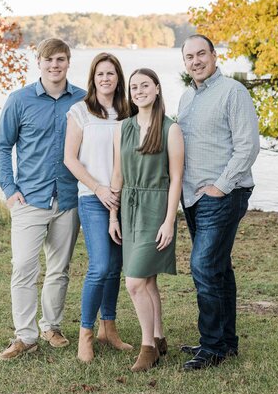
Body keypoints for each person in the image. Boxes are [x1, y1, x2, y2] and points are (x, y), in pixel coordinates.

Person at [0, 38, 85, 361]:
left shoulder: (83, 101)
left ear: (68, 62)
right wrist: (9, 190)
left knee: (59, 268)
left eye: (60, 59)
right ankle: (25, 336)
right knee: (23, 268)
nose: (54, 65)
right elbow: (1, 146)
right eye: (49, 60)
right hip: (29, 199)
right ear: (39, 62)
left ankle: (52, 326)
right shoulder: (19, 100)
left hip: (69, 199)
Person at [177, 34, 260, 370]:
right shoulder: (186, 98)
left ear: (214, 55)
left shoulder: (233, 92)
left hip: (223, 194)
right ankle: (225, 343)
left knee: (204, 267)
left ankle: (211, 347)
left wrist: (222, 186)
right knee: (219, 269)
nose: (196, 61)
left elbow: (248, 145)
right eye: (189, 57)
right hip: (193, 197)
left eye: (201, 54)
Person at [110, 68, 184, 372]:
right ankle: (159, 337)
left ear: (156, 89)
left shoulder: (170, 129)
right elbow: (118, 173)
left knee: (134, 282)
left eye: (144, 86)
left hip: (156, 207)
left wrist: (169, 221)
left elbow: (177, 178)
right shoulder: (122, 128)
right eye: (134, 87)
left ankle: (147, 347)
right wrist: (113, 215)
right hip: (129, 207)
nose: (139, 91)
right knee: (148, 279)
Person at [64, 52, 133, 363]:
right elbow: (70, 159)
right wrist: (98, 188)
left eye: (111, 73)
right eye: (100, 74)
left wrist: (118, 193)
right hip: (92, 199)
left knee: (116, 267)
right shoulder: (80, 112)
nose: (106, 79)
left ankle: (109, 328)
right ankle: (86, 333)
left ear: (119, 78)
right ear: (92, 79)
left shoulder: (128, 112)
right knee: (100, 266)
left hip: (123, 199)